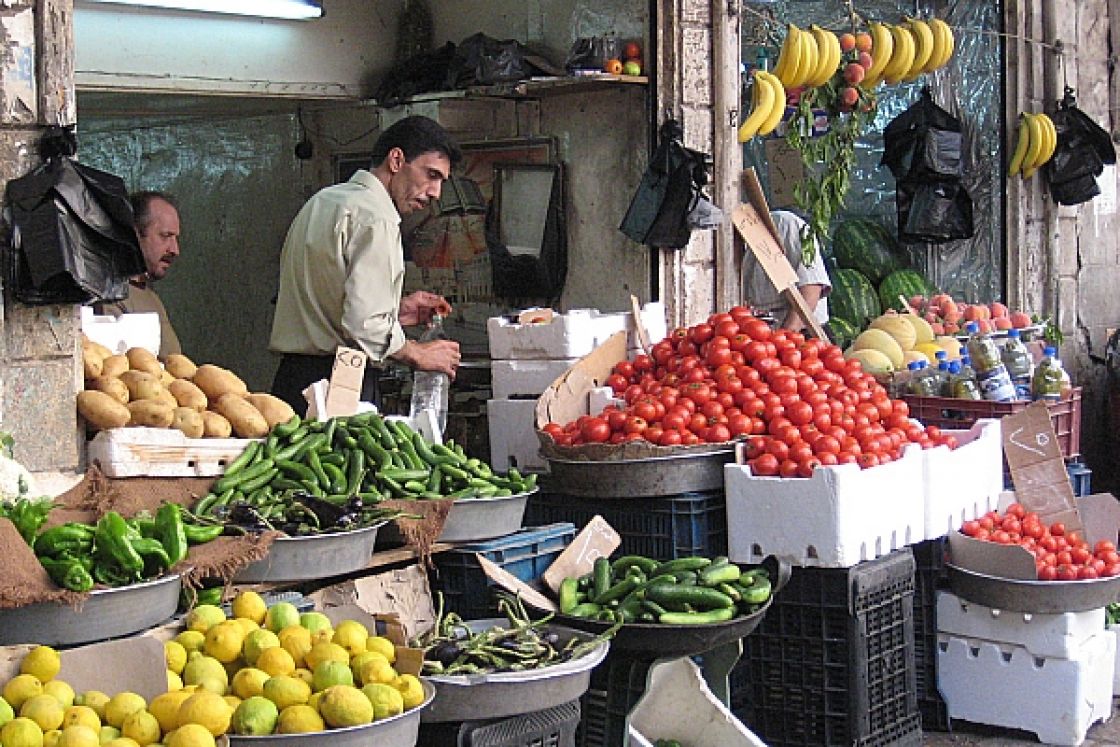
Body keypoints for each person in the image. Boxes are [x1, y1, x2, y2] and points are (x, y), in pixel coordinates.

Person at [269, 115, 463, 412]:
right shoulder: (377, 217)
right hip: (339, 383)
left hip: (292, 381)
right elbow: (364, 326)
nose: (436, 193)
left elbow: (334, 305)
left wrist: (393, 312)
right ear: (396, 160)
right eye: (431, 175)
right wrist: (418, 353)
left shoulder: (323, 201)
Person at [97, 191, 183, 359]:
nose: (174, 250)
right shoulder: (110, 296)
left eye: (175, 238)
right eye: (165, 236)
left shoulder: (151, 297)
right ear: (135, 235)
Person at [742, 209, 831, 331]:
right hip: (762, 335)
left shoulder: (784, 223)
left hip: (803, 331)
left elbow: (812, 286)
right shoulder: (724, 246)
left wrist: (788, 332)